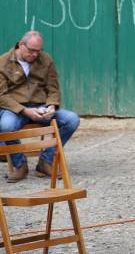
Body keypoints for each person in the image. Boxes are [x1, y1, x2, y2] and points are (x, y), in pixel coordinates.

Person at [0, 31, 80, 182]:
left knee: (72, 120)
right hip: (15, 109)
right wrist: (24, 111)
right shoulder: (2, 62)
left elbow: (53, 88)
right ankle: (20, 165)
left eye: (38, 51)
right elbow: (1, 96)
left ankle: (46, 161)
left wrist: (51, 106)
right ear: (21, 45)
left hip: (40, 107)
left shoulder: (46, 59)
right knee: (6, 125)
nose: (35, 54)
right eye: (31, 50)